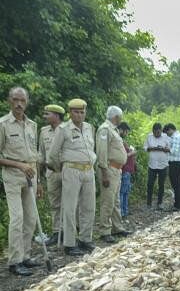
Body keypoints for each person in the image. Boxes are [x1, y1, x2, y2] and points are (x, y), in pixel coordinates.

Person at [0, 87, 41, 276]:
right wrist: (19, 165)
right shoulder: (3, 124)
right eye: (15, 100)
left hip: (31, 174)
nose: (19, 104)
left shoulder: (32, 125)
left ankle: (25, 256)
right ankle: (14, 261)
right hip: (13, 175)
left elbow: (35, 155)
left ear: (27, 102)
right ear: (9, 101)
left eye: (22, 101)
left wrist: (39, 181)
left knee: (31, 218)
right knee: (17, 218)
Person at [48, 99, 96, 256]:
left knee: (89, 207)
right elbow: (53, 154)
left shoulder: (89, 128)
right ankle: (69, 243)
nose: (80, 115)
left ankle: (85, 239)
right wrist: (60, 168)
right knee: (69, 207)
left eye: (82, 112)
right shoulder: (63, 129)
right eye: (76, 112)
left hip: (88, 170)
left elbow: (91, 148)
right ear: (70, 112)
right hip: (71, 170)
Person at [96, 106, 131, 243]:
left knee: (115, 201)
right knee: (107, 201)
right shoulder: (105, 129)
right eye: (120, 117)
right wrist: (104, 173)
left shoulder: (113, 130)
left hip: (117, 169)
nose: (121, 119)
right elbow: (102, 152)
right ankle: (104, 230)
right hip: (109, 169)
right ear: (116, 117)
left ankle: (117, 227)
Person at [38, 104, 65, 246]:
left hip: (66, 171)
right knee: (55, 204)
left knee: (70, 203)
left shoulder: (67, 129)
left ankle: (69, 233)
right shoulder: (43, 132)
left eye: (47, 114)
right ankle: (56, 233)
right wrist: (39, 178)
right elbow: (41, 155)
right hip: (51, 172)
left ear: (56, 115)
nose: (45, 116)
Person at [143, 123, 170, 210]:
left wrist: (163, 149)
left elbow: (170, 149)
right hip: (152, 165)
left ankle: (160, 203)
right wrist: (152, 148)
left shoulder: (166, 137)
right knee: (150, 184)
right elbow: (145, 147)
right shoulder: (149, 136)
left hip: (163, 164)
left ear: (161, 131)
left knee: (161, 185)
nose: (157, 134)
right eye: (155, 133)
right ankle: (148, 204)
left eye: (158, 133)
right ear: (153, 131)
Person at [164, 123, 180, 211]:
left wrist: (166, 149)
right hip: (179, 163)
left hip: (175, 164)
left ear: (170, 129)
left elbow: (174, 151)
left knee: (176, 184)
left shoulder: (176, 137)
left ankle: (178, 205)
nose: (167, 135)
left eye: (167, 132)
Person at [118, 122, 136, 220]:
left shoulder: (121, 141)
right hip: (124, 170)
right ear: (122, 130)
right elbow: (123, 156)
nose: (127, 134)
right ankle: (122, 212)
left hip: (126, 170)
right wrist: (132, 152)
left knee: (125, 192)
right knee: (122, 192)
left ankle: (124, 211)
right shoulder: (119, 141)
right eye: (126, 132)